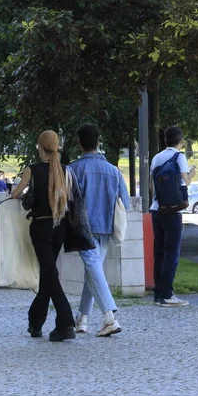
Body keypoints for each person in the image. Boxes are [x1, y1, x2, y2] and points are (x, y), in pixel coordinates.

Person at [11, 130, 76, 342]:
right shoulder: (66, 171)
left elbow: (16, 194)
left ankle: (66, 322)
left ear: (40, 147)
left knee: (49, 273)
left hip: (41, 226)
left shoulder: (32, 170)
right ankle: (35, 321)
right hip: (61, 226)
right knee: (48, 272)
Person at [69, 124, 130, 336]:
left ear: (79, 142)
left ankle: (109, 316)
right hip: (105, 227)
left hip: (82, 226)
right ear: (98, 142)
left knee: (93, 269)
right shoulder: (114, 171)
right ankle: (82, 318)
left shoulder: (73, 169)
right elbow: (126, 202)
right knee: (93, 271)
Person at [150, 126, 196, 307]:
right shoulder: (180, 157)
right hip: (173, 211)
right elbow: (185, 181)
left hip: (156, 208)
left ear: (165, 140)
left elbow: (152, 187)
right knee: (172, 253)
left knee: (159, 252)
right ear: (181, 141)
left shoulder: (156, 158)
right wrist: (191, 174)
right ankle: (167, 295)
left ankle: (158, 294)